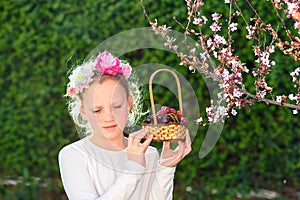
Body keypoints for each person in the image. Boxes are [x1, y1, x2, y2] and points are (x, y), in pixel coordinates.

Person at [58, 51, 191, 200]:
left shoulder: (149, 153)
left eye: (117, 106)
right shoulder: (74, 155)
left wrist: (166, 168)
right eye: (97, 110)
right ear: (83, 111)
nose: (109, 117)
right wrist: (133, 168)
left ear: (129, 104)